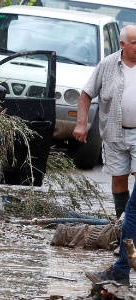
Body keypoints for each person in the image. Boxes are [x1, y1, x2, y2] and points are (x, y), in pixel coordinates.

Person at [81, 24, 136, 284]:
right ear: (122, 44)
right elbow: (86, 94)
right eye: (134, 42)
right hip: (114, 132)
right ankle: (122, 248)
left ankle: (121, 267)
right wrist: (81, 124)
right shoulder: (107, 65)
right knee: (127, 197)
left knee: (134, 208)